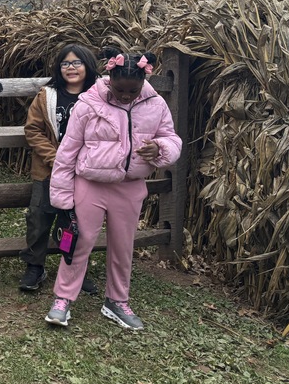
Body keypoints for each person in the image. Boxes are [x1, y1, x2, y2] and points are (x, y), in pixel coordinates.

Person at [45, 49, 182, 330]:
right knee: (79, 241)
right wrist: (61, 198)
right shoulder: (88, 103)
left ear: (145, 81)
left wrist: (161, 148)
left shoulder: (156, 105)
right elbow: (67, 152)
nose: (126, 96)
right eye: (120, 90)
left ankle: (117, 300)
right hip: (90, 184)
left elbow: (171, 138)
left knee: (123, 246)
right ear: (109, 78)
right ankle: (63, 298)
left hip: (130, 186)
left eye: (133, 91)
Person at [20, 43, 100, 294]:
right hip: (48, 170)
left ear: (88, 66)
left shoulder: (99, 95)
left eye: (77, 63)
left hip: (84, 173)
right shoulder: (47, 96)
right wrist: (56, 158)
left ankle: (73, 267)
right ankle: (35, 265)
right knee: (39, 219)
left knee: (73, 223)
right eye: (66, 63)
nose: (71, 68)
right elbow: (33, 130)